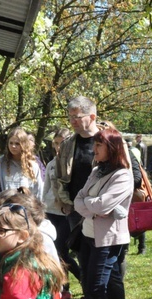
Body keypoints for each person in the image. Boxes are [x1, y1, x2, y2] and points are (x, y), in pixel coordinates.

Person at [74, 127, 134, 299]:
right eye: (94, 144)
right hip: (88, 235)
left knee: (95, 290)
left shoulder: (123, 176)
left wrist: (91, 205)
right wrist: (93, 206)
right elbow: (78, 201)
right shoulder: (96, 171)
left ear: (112, 148)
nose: (94, 149)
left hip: (107, 239)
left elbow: (102, 206)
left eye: (99, 145)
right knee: (109, 282)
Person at [55, 96, 101, 231]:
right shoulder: (67, 145)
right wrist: (63, 201)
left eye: (77, 116)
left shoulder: (109, 142)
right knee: (77, 250)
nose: (72, 121)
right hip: (74, 210)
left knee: (98, 250)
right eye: (70, 117)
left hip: (100, 209)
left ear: (92, 117)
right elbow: (57, 175)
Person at [43, 128, 80, 299]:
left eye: (62, 142)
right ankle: (64, 287)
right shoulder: (51, 163)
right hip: (51, 212)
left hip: (67, 212)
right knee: (57, 252)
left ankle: (83, 280)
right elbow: (46, 190)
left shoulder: (73, 163)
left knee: (62, 251)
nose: (59, 146)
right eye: (56, 143)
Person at [0, 128, 43, 199]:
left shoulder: (32, 165)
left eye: (17, 144)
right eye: (11, 143)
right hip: (5, 206)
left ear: (24, 144)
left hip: (27, 207)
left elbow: (38, 191)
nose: (13, 146)